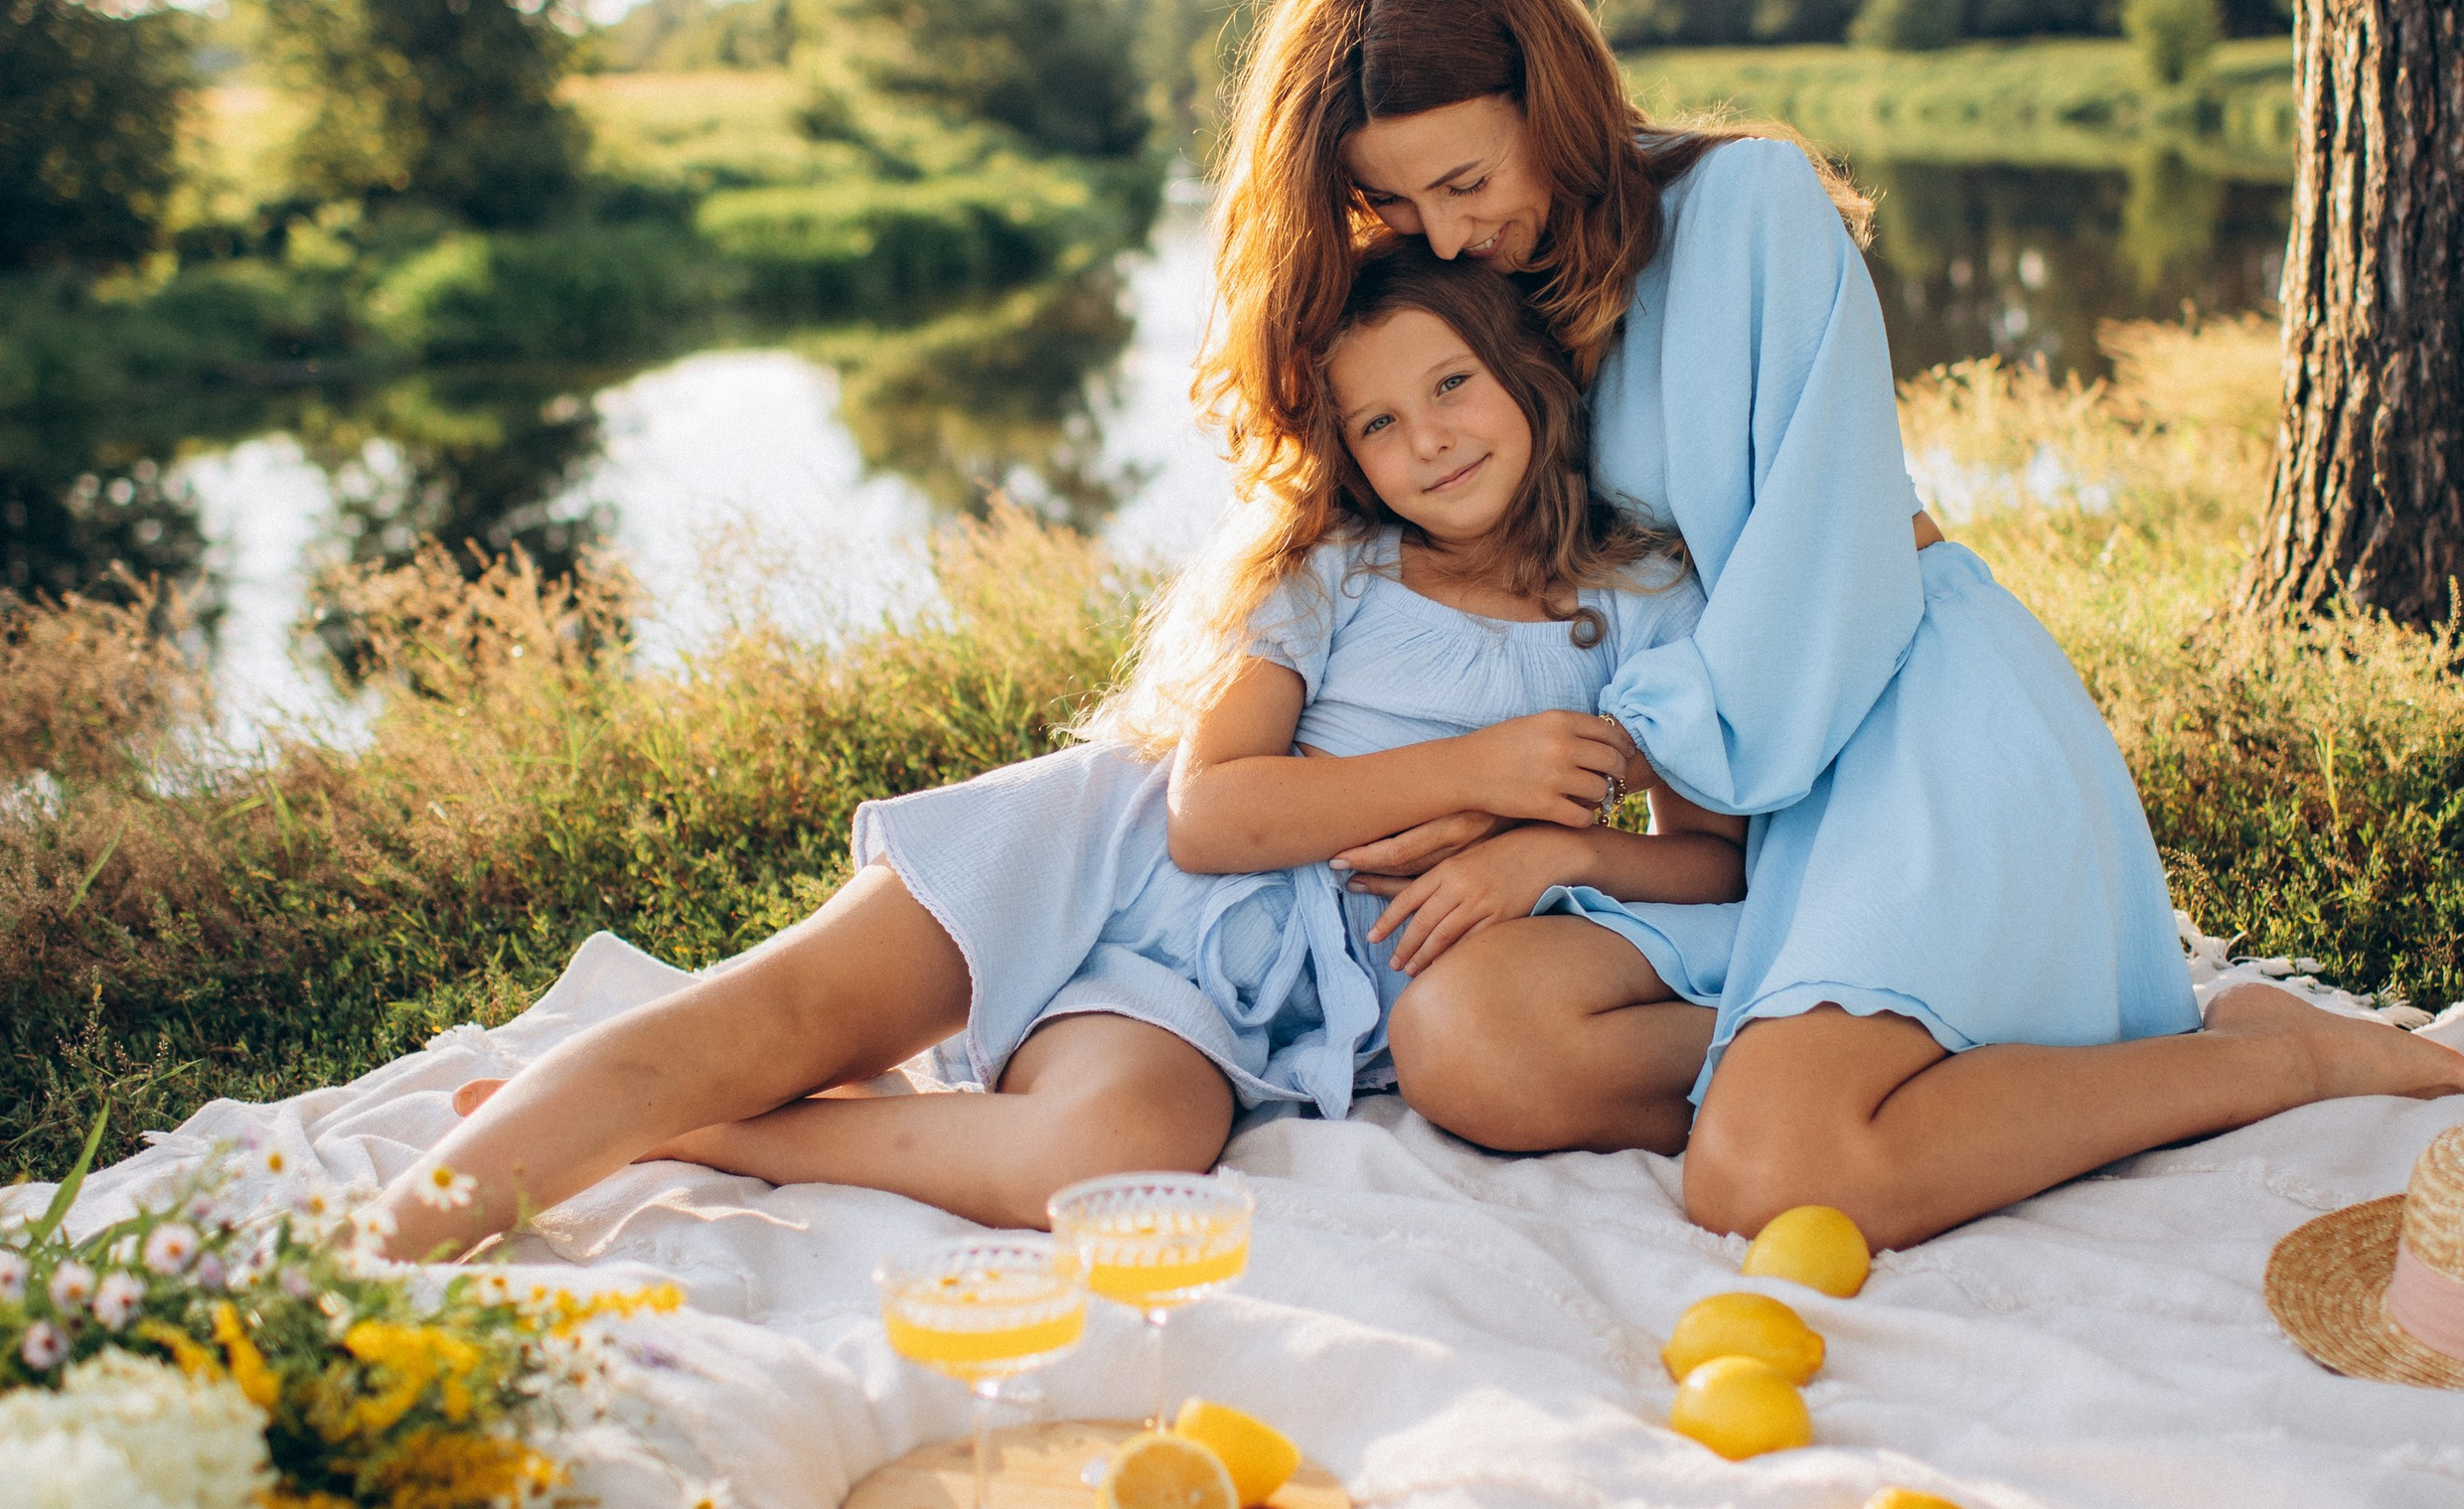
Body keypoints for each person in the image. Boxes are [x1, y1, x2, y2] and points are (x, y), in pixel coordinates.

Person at [1197, 0, 2464, 1253]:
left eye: (1463, 181)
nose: (1446, 236)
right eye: (1399, 209)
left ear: (1554, 95)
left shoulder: (1747, 208)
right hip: (1736, 819)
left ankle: (2269, 1062)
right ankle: (1928, 1063)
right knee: (1467, 1042)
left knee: (1765, 1174)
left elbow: (1826, 587)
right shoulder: (1490, 301)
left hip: (1898, 716)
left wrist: (1542, 773)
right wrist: (1515, 813)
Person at [376, 254, 1741, 1262]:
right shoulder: (1330, 572)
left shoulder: (1636, 600)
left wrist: (1559, 850)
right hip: (1105, 856)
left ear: (1531, 379)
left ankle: (701, 1133)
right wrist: (1482, 772)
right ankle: (381, 1250)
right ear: (1349, 455)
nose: (1429, 437)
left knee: (1111, 1155)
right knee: (774, 1017)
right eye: (1380, 423)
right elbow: (1210, 816)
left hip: (1251, 998)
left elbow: (1713, 860)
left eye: (1453, 385)